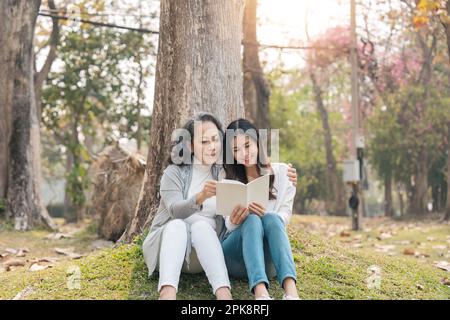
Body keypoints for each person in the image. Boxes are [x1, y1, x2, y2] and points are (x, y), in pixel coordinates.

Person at [221, 118, 300, 300]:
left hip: (268, 260)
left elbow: (285, 215)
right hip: (235, 256)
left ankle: (291, 292)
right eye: (235, 150)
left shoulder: (283, 173)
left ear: (258, 141)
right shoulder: (227, 177)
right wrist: (234, 220)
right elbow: (228, 225)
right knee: (251, 219)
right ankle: (260, 293)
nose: (244, 154)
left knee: (271, 219)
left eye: (247, 146)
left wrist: (265, 215)